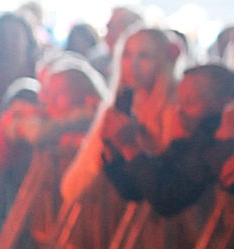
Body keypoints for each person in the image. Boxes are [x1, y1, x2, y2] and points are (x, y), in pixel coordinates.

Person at [60, 26, 183, 204]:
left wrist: (134, 144)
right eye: (127, 55)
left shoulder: (177, 109)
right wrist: (105, 151)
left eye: (144, 56)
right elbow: (73, 186)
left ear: (164, 60)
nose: (133, 64)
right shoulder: (115, 110)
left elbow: (167, 187)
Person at [101, 64, 234, 217]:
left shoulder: (218, 142)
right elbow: (135, 189)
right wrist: (114, 154)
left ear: (226, 104)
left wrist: (130, 147)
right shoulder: (189, 139)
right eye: (179, 102)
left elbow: (167, 198)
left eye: (189, 102)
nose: (179, 111)